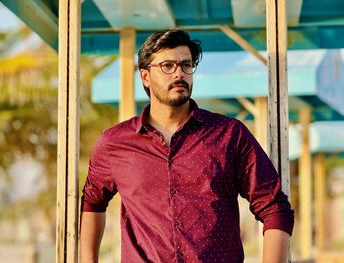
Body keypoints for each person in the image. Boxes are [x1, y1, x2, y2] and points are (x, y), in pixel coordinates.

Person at [80, 29, 294, 263]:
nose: (179, 73)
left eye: (186, 65)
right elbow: (93, 202)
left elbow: (275, 208)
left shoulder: (229, 134)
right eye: (167, 66)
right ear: (145, 77)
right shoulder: (115, 142)